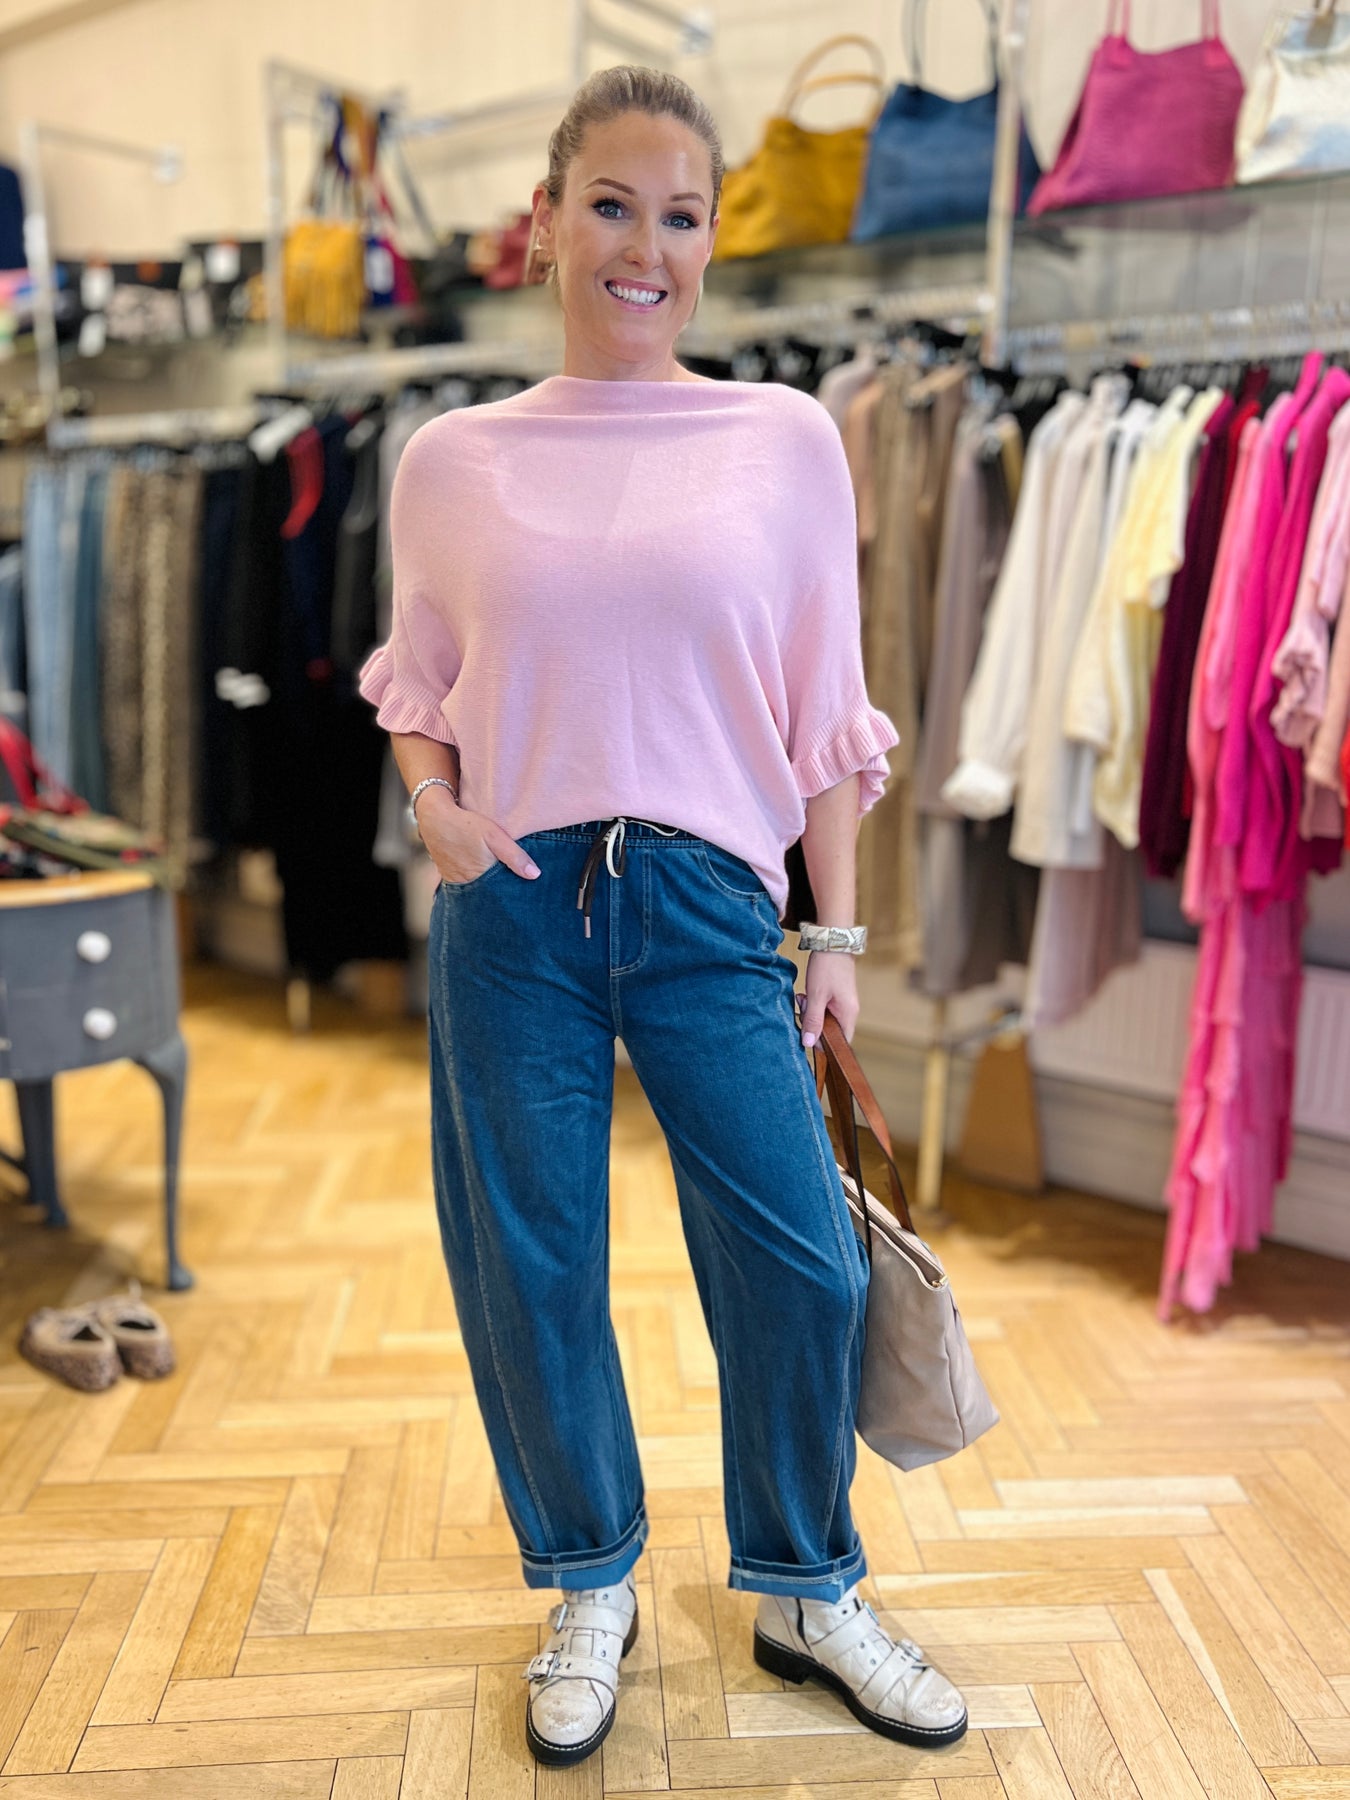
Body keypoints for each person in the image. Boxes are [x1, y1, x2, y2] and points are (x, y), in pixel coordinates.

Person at [358, 61, 968, 1773]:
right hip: (515, 902)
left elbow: (824, 708)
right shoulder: (448, 458)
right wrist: (431, 804)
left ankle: (804, 1586)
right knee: (532, 1261)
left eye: (681, 216)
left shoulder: (781, 438)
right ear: (545, 223)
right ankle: (587, 1583)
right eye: (612, 207)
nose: (647, 248)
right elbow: (420, 679)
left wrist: (832, 940)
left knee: (801, 1261)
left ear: (710, 242)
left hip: (711, 902)